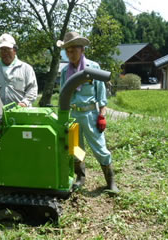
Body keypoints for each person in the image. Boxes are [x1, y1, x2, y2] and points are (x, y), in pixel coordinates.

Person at [57, 32, 119, 193]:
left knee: (100, 147)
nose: (70, 54)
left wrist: (102, 114)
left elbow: (101, 93)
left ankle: (110, 181)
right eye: (67, 51)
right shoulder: (65, 72)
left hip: (90, 113)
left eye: (73, 50)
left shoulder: (93, 68)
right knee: (76, 148)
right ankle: (81, 177)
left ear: (82, 49)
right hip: (73, 114)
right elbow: (64, 94)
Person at [0, 33, 38, 107]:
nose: (5, 53)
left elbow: (32, 89)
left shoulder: (26, 69)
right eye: (2, 50)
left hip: (22, 112)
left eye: (8, 49)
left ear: (15, 50)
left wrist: (25, 102)